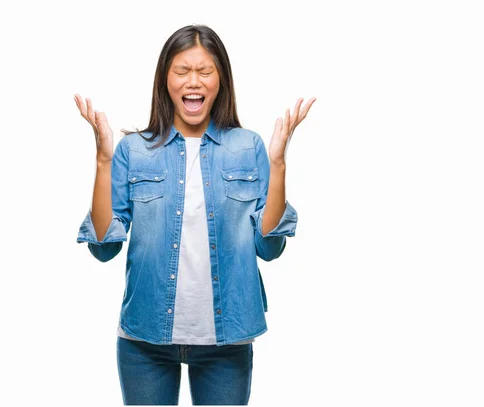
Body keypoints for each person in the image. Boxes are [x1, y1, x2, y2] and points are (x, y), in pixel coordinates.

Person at [75, 24, 315, 405]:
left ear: (221, 80)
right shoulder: (133, 150)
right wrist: (104, 160)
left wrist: (279, 164)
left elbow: (269, 248)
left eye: (205, 71)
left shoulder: (248, 146)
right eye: (182, 70)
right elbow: (103, 249)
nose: (194, 81)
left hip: (226, 340)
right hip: (144, 340)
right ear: (165, 79)